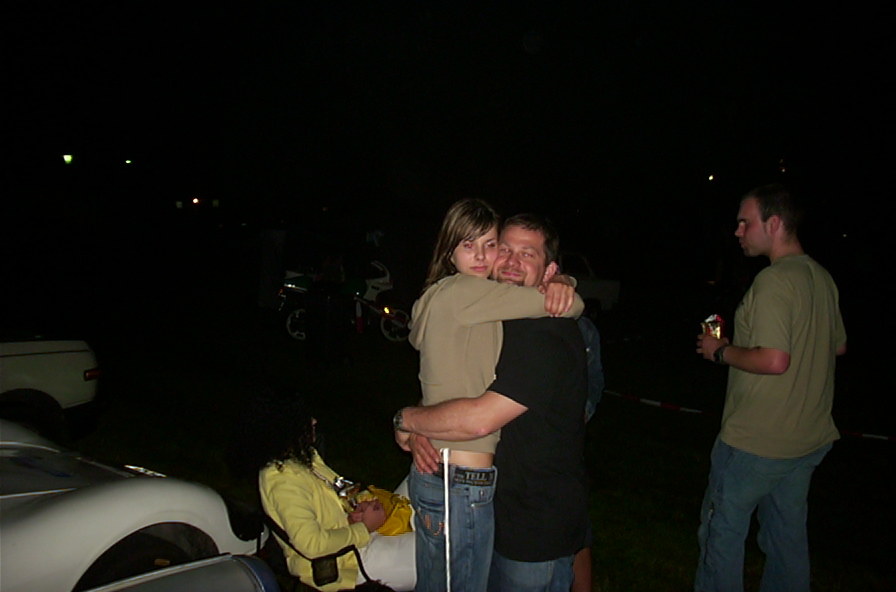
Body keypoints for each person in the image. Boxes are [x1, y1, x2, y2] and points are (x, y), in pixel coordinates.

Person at [396, 213, 590, 592]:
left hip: (532, 528)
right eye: (504, 249)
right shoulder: (493, 315)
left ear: (550, 269)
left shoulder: (546, 335)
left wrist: (408, 420)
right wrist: (424, 428)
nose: (511, 261)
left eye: (527, 254)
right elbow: (453, 381)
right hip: (489, 505)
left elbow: (479, 419)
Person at [694, 184, 847, 592]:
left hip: (756, 441)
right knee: (786, 539)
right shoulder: (821, 277)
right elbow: (838, 345)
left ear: (774, 224)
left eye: (745, 222)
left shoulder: (774, 281)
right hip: (806, 439)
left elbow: (775, 360)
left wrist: (720, 351)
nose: (738, 231)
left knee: (722, 534)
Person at [227, 388, 415, 591]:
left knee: (422, 474)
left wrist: (357, 506)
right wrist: (363, 528)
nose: (314, 421)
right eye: (305, 420)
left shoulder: (303, 457)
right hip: (348, 563)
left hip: (356, 536)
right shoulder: (282, 481)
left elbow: (334, 492)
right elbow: (312, 544)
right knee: (438, 550)